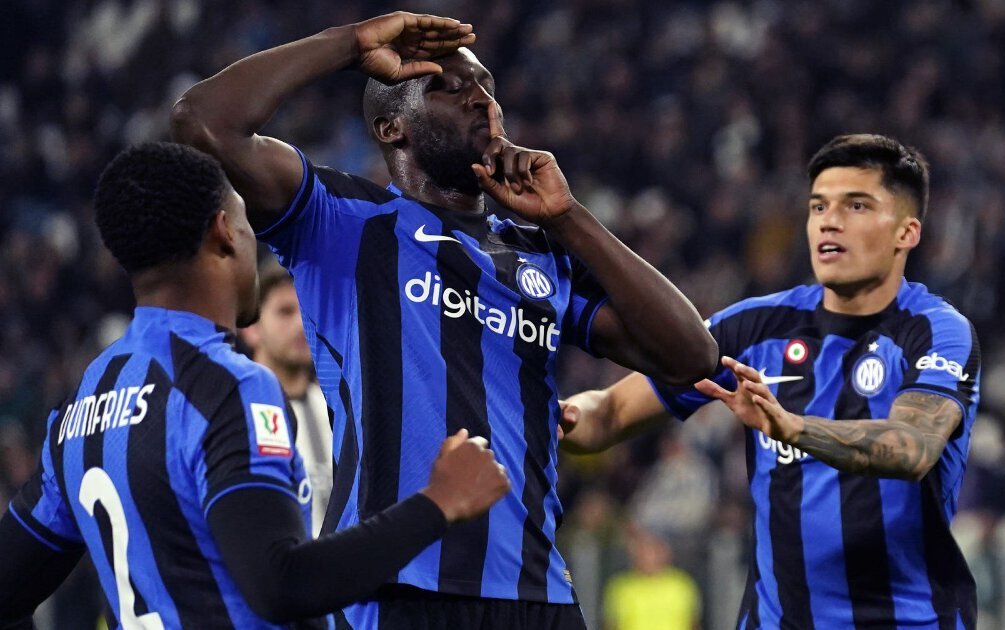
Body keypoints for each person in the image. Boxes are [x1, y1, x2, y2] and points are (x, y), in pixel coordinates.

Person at [170, 10, 717, 629]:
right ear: (391, 127)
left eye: (486, 86)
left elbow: (692, 357)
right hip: (394, 590)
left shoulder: (540, 252)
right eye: (448, 88)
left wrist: (568, 218)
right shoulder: (341, 220)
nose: (481, 99)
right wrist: (349, 44)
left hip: (537, 593)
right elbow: (201, 119)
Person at [0, 142, 510, 628]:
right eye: (247, 223)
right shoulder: (226, 385)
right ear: (225, 230)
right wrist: (438, 503)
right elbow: (282, 583)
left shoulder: (84, 399)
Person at [562, 134, 981, 629]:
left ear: (906, 233)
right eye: (819, 206)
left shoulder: (936, 330)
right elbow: (609, 413)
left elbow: (912, 447)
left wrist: (792, 427)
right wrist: (537, 414)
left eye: (857, 205)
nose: (829, 221)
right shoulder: (754, 326)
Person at [243, 263, 334, 535]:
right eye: (285, 311)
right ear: (251, 328)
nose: (301, 324)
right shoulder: (237, 410)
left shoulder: (337, 408)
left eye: (307, 311)